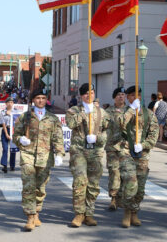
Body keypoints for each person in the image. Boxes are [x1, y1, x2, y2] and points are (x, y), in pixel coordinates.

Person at [13, 89, 65, 231]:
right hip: (28, 155)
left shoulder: (53, 119)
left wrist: (60, 153)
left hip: (45, 157)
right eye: (37, 98)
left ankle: (36, 212)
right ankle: (30, 216)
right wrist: (20, 140)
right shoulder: (25, 117)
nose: (40, 100)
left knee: (40, 188)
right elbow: (15, 135)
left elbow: (58, 138)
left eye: (43, 98)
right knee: (29, 185)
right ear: (33, 100)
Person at [66, 83, 110, 227]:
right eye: (85, 93)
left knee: (93, 184)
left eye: (91, 92)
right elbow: (71, 123)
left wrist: (98, 138)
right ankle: (79, 214)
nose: (88, 95)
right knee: (80, 182)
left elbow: (107, 130)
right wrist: (84, 112)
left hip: (95, 152)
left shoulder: (102, 112)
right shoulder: (74, 110)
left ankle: (89, 213)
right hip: (78, 151)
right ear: (81, 96)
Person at [117, 85, 158, 228]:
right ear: (128, 98)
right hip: (126, 152)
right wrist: (130, 111)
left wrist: (144, 145)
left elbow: (154, 135)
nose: (136, 98)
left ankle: (134, 212)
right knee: (130, 182)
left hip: (142, 154)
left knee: (140, 187)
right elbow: (120, 124)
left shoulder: (148, 114)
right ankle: (127, 212)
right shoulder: (123, 113)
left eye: (138, 95)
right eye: (132, 96)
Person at [104, 87, 127, 211]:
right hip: (112, 147)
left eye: (123, 94)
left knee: (124, 173)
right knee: (114, 172)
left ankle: (121, 197)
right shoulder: (108, 111)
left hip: (126, 148)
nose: (121, 97)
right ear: (114, 97)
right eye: (118, 94)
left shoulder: (130, 111)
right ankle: (113, 198)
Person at [0, 97, 17, 173]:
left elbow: (19, 122)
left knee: (13, 149)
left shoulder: (16, 111)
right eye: (8, 102)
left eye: (11, 102)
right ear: (6, 104)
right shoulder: (3, 112)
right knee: (5, 149)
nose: (10, 103)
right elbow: (3, 123)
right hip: (5, 130)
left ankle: (12, 165)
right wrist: (6, 134)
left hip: (13, 131)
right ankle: (4, 165)